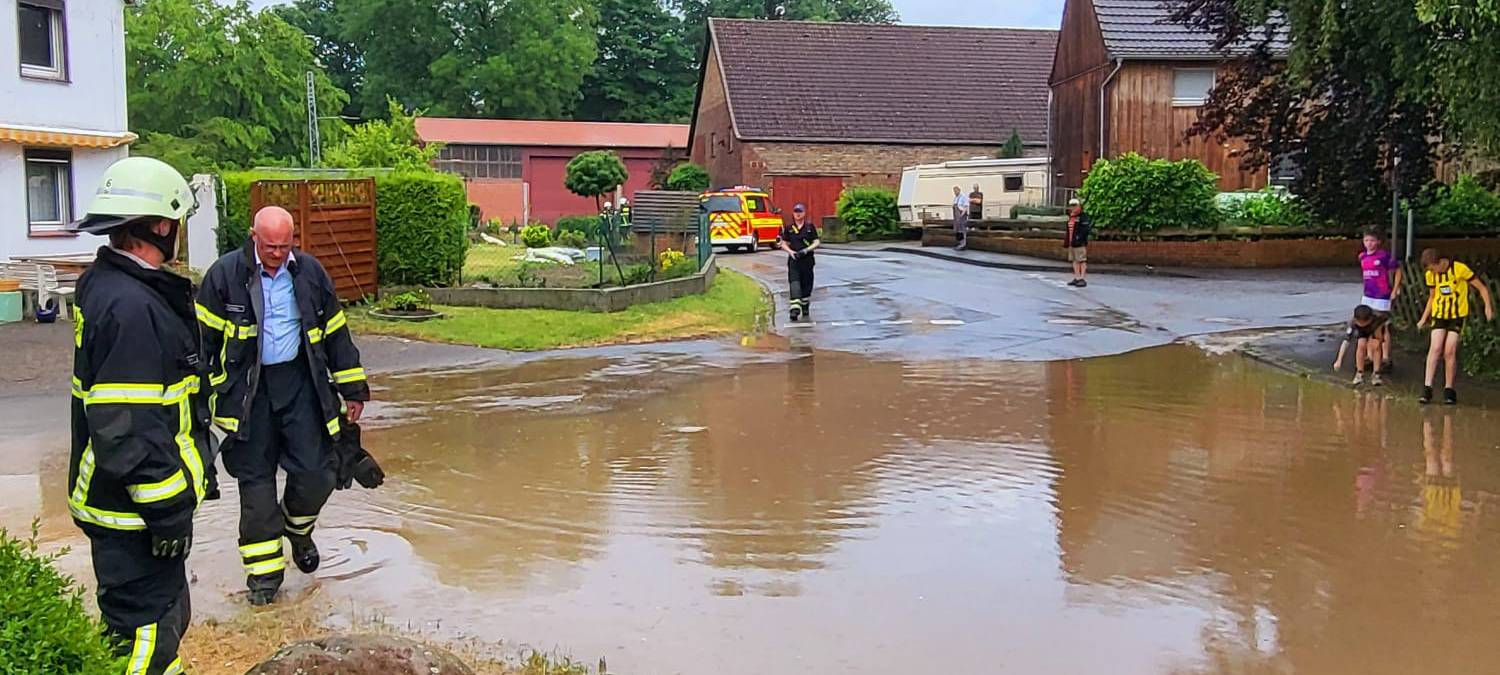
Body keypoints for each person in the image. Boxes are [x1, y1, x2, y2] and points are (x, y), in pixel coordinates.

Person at [66, 156, 213, 675]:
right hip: (134, 514)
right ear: (160, 225)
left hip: (120, 507)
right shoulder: (132, 306)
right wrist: (168, 506)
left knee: (152, 625)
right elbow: (126, 425)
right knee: (146, 638)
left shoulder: (112, 287)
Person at [197, 206, 371, 605]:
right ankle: (264, 576)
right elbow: (200, 344)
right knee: (255, 485)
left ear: (294, 240)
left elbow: (335, 333)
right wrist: (200, 402)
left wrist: (353, 388)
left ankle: (298, 529)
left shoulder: (310, 273)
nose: (277, 254)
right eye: (270, 246)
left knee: (318, 472)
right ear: (253, 237)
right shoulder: (225, 276)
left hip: (300, 384)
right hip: (247, 394)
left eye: (285, 245)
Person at [1416, 248, 1495, 405]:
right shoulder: (1431, 275)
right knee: (1435, 347)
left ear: (1439, 263)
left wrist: (1488, 307)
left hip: (1457, 316)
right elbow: (1432, 297)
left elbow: (1482, 288)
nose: (1432, 271)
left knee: (1449, 350)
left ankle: (1449, 389)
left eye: (1433, 268)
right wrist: (1424, 318)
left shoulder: (1459, 269)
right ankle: (1427, 387)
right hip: (1439, 314)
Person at [1358, 230, 1402, 369]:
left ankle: (1385, 356)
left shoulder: (1384, 256)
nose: (1369, 244)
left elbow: (1398, 271)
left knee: (1382, 326)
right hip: (1368, 295)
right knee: (1369, 325)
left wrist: (1395, 289)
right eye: (1366, 241)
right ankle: (1371, 356)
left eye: (1372, 241)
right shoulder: (1363, 257)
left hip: (1382, 295)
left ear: (1378, 242)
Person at [778, 203, 821, 322]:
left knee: (806, 284)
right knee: (794, 283)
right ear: (793, 213)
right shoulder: (789, 228)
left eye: (800, 212)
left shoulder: (809, 227)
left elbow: (816, 242)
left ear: (804, 213)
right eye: (796, 211)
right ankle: (794, 310)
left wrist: (807, 250)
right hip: (794, 260)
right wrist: (791, 252)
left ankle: (805, 305)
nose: (798, 214)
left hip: (807, 260)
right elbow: (783, 243)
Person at [1332, 305, 1388, 386]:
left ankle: (1376, 373)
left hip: (1375, 328)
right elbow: (1346, 341)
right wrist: (1339, 360)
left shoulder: (1378, 319)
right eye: (1360, 322)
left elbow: (1381, 336)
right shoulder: (1352, 323)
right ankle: (1359, 373)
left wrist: (1376, 339)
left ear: (1370, 318)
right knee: (1361, 344)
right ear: (1356, 319)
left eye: (1365, 322)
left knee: (1376, 346)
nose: (1363, 324)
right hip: (1361, 332)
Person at [1064, 198, 1091, 287]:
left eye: (1075, 206)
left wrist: (1079, 238)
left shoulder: (1083, 217)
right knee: (1074, 260)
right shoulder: (1071, 217)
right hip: (1072, 242)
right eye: (1072, 206)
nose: (1073, 208)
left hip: (1080, 243)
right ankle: (1077, 277)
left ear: (1079, 207)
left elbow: (1086, 229)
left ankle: (1082, 278)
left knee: (1081, 260)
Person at [952, 186, 969, 250]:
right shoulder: (956, 198)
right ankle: (960, 243)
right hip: (956, 216)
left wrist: (962, 214)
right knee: (958, 230)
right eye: (954, 191)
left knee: (962, 230)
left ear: (959, 190)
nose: (955, 192)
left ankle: (963, 244)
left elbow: (966, 206)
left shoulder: (963, 196)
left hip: (961, 215)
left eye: (956, 191)